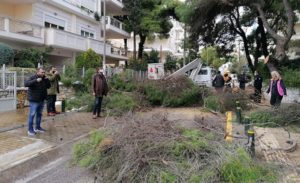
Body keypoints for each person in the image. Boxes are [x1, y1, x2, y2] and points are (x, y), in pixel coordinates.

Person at [25, 68, 50, 136]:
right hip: (34, 100)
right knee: (32, 114)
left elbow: (48, 86)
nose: (43, 73)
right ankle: (30, 130)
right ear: (37, 72)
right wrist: (36, 80)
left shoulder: (44, 78)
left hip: (41, 100)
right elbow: (26, 84)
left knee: (39, 114)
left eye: (44, 72)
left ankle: (38, 127)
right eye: (42, 72)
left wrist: (47, 79)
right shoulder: (32, 77)